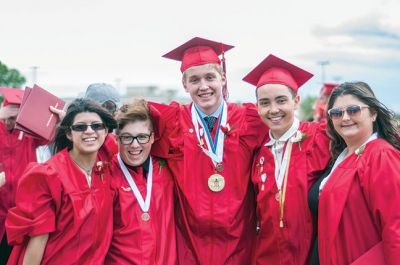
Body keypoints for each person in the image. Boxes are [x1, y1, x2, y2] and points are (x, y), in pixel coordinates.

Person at [150, 37, 268, 264]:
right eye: (194, 80)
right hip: (189, 244)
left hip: (241, 244)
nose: (203, 86)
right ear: (185, 84)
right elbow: (125, 135)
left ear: (223, 79)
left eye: (210, 77)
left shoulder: (250, 121)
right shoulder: (171, 122)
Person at [242, 54, 331, 264]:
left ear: (296, 101)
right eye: (265, 103)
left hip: (311, 253)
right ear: (257, 107)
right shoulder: (258, 153)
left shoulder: (321, 137)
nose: (273, 110)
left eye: (281, 100)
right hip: (267, 255)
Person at [5, 98, 117, 264]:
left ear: (106, 131)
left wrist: (72, 118)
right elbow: (38, 240)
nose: (89, 131)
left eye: (96, 126)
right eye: (80, 127)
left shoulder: (107, 163)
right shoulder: (49, 175)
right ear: (68, 134)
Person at [309, 82, 400, 265]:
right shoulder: (340, 157)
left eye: (353, 110)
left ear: (373, 113)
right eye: (336, 113)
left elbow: (395, 229)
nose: (345, 118)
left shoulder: (381, 156)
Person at [106, 99, 177, 264]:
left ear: (152, 137)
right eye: (127, 137)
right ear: (116, 138)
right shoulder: (106, 174)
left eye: (142, 137)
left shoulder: (168, 170)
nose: (135, 145)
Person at [0, 88, 46, 263]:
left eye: (16, 118)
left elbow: (50, 134)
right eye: (8, 118)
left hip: (23, 207)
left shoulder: (28, 132)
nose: (12, 122)